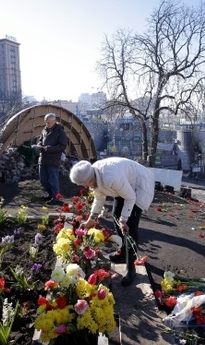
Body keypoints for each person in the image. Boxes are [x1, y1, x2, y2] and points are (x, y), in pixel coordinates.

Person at [69, 157, 155, 286]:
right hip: (125, 184)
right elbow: (99, 198)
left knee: (130, 227)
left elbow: (131, 197)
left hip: (139, 184)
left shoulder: (110, 177)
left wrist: (124, 220)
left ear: (90, 179)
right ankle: (123, 251)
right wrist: (90, 220)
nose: (85, 187)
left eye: (84, 184)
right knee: (115, 215)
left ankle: (131, 268)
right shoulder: (94, 175)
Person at [37, 113, 67, 205]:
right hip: (43, 159)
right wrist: (39, 145)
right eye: (46, 122)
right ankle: (51, 194)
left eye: (49, 122)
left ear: (54, 121)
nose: (47, 124)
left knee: (53, 180)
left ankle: (56, 197)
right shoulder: (45, 129)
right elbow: (41, 139)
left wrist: (49, 148)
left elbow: (62, 146)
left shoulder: (60, 132)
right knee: (43, 180)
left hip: (53, 159)